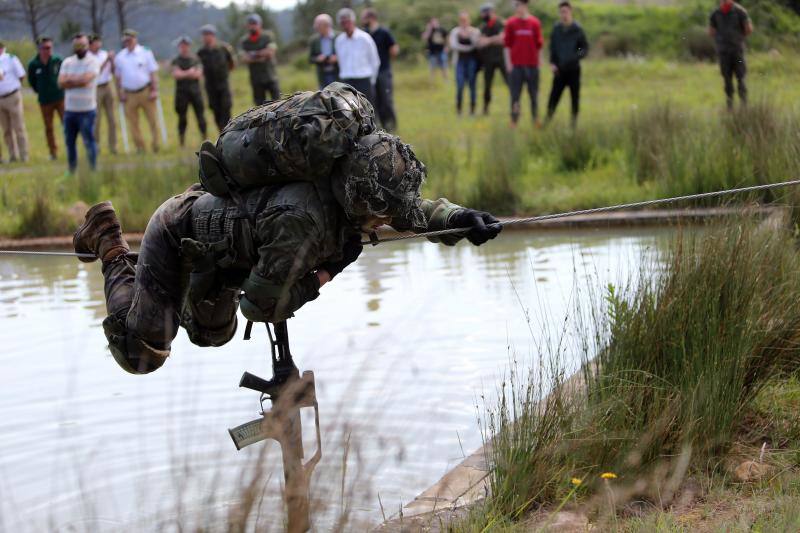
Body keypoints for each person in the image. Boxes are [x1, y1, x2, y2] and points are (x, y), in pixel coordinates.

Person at [72, 99, 502, 374]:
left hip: (224, 254)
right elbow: (258, 306)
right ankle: (107, 239)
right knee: (142, 353)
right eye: (384, 215)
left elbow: (403, 209)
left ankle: (174, 293)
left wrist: (460, 219)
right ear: (363, 207)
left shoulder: (351, 178)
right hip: (177, 230)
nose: (391, 220)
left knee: (211, 334)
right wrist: (328, 272)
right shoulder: (304, 221)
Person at [58, 33, 100, 173]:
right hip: (70, 110)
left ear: (87, 45)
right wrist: (78, 80)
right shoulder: (67, 62)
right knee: (70, 142)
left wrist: (70, 80)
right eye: (76, 45)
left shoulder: (92, 62)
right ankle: (71, 170)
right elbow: (61, 83)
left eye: (82, 45)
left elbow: (86, 80)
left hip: (87, 110)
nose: (79, 48)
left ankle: (92, 170)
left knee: (88, 141)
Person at [114, 29, 160, 153]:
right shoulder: (120, 57)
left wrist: (154, 90)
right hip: (129, 94)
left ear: (135, 39)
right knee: (133, 123)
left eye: (130, 40)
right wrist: (120, 93)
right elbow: (118, 78)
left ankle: (156, 144)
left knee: (153, 120)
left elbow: (153, 73)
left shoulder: (145, 52)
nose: (128, 42)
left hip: (145, 91)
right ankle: (140, 147)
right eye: (126, 40)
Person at [546, 1, 589, 127]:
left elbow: (583, 47)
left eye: (565, 12)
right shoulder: (556, 29)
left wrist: (576, 56)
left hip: (573, 69)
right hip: (559, 70)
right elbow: (553, 48)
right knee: (554, 96)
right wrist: (552, 63)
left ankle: (573, 124)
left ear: (570, 12)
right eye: (561, 12)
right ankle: (547, 121)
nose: (563, 14)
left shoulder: (577, 29)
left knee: (574, 97)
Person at [504, 0, 544, 127]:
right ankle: (514, 120)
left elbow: (539, 45)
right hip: (516, 66)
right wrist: (508, 63)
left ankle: (535, 119)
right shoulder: (511, 23)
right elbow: (507, 45)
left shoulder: (535, 22)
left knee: (533, 95)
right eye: (517, 6)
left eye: (521, 5)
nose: (519, 8)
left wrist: (540, 61)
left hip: (532, 65)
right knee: (515, 95)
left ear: (526, 6)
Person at [709, 0, 753, 109]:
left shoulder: (740, 11)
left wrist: (737, 38)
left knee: (740, 78)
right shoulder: (715, 13)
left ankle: (744, 105)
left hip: (737, 51)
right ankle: (730, 106)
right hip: (724, 52)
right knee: (727, 79)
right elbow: (711, 32)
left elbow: (748, 29)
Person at [361, 8, 399, 131]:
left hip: (383, 71)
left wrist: (386, 60)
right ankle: (377, 127)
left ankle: (391, 126)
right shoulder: (364, 34)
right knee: (373, 100)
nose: (362, 21)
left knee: (386, 100)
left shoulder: (384, 32)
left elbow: (394, 49)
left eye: (364, 18)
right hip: (369, 73)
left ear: (371, 18)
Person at [335, 8, 380, 109]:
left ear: (353, 21)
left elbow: (375, 61)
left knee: (367, 111)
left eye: (347, 22)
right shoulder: (339, 41)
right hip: (346, 81)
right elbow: (341, 62)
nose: (345, 25)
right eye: (343, 23)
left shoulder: (365, 38)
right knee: (348, 111)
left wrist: (372, 81)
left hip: (364, 80)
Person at [27, 36, 64, 160]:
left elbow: (64, 74)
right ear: (40, 49)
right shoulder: (33, 64)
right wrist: (40, 91)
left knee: (66, 124)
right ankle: (53, 152)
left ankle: (70, 148)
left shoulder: (57, 60)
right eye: (46, 48)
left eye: (50, 47)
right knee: (48, 127)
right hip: (45, 101)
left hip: (60, 97)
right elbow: (32, 81)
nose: (48, 50)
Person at [197, 25, 234, 132]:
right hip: (210, 86)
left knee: (226, 108)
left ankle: (230, 132)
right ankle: (221, 133)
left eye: (207, 35)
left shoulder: (223, 48)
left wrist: (224, 74)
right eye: (204, 35)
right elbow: (199, 67)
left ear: (213, 36)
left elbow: (231, 64)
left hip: (223, 85)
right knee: (215, 110)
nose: (205, 37)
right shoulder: (201, 52)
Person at [171, 36, 207, 147]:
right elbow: (176, 74)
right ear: (179, 47)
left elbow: (198, 74)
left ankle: (204, 138)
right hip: (181, 94)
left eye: (186, 45)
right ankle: (182, 141)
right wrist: (189, 72)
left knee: (200, 116)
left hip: (195, 92)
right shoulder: (176, 60)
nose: (184, 48)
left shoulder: (196, 59)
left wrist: (183, 73)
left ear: (189, 46)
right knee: (182, 118)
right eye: (182, 46)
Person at [240, 13, 280, 104]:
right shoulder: (245, 41)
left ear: (260, 24)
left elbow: (270, 52)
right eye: (250, 24)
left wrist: (253, 54)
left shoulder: (267, 36)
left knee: (278, 103)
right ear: (247, 25)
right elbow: (244, 58)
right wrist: (261, 55)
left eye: (255, 23)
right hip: (256, 79)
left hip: (270, 76)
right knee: (259, 106)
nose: (253, 26)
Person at [0, 41, 29, 164]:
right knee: (6, 130)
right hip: (0, 99)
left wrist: (14, 86)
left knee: (18, 127)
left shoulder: (11, 59)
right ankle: (13, 155)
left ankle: (24, 155)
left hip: (12, 96)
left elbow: (21, 75)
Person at [89, 34, 118, 155]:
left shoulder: (104, 54)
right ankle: (96, 145)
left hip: (108, 85)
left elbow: (113, 71)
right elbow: (96, 72)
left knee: (112, 119)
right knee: (96, 119)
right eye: (95, 42)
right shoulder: (88, 57)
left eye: (99, 42)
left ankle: (113, 146)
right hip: (96, 88)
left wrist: (112, 61)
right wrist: (106, 60)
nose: (98, 44)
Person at [478, 3, 507, 115]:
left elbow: (503, 39)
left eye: (484, 13)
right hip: (488, 60)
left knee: (509, 82)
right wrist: (494, 39)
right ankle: (485, 108)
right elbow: (481, 42)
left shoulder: (500, 23)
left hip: (501, 58)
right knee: (487, 86)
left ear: (490, 12)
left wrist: (488, 40)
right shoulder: (484, 26)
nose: (482, 15)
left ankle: (515, 106)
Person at [449, 12, 481, 116]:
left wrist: (470, 35)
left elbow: (477, 44)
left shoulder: (475, 31)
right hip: (460, 61)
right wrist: (467, 48)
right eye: (462, 20)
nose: (464, 22)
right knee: (460, 85)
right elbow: (453, 45)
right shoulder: (455, 31)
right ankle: (459, 110)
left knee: (472, 85)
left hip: (472, 61)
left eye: (465, 20)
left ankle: (472, 110)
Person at [309, 14, 338, 90]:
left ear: (326, 25)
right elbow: (310, 59)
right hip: (323, 77)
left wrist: (337, 58)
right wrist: (317, 59)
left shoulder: (339, 37)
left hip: (338, 75)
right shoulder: (314, 40)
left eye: (318, 25)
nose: (316, 27)